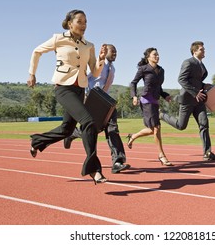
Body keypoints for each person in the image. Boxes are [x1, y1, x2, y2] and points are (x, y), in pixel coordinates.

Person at [27, 9, 108, 184]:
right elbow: (37, 51)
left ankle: (37, 141)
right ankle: (94, 170)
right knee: (88, 122)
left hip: (80, 89)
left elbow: (94, 72)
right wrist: (32, 73)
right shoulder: (59, 39)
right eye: (80, 21)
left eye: (86, 22)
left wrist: (101, 60)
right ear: (70, 23)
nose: (84, 25)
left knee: (67, 130)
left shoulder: (89, 46)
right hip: (63, 88)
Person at [63, 44, 131, 174]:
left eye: (116, 51)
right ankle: (73, 133)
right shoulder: (97, 66)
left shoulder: (113, 68)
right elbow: (83, 78)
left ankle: (117, 161)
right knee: (93, 130)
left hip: (106, 102)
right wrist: (84, 96)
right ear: (105, 52)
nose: (115, 53)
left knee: (113, 129)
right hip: (93, 101)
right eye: (113, 51)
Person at [160, 41, 215, 161]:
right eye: (201, 50)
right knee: (181, 125)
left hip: (199, 101)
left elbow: (196, 81)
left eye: (204, 49)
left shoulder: (201, 65)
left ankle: (207, 153)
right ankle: (162, 115)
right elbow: (182, 80)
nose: (204, 51)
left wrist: (204, 86)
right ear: (194, 51)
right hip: (188, 100)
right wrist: (195, 92)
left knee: (204, 124)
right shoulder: (188, 62)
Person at [127, 47, 173, 166]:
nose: (157, 56)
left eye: (158, 55)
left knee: (153, 130)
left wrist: (166, 96)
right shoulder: (143, 69)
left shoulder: (161, 70)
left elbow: (159, 88)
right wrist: (134, 96)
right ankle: (161, 155)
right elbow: (133, 83)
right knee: (157, 128)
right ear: (148, 57)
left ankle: (133, 136)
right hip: (146, 100)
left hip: (155, 101)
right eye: (154, 55)